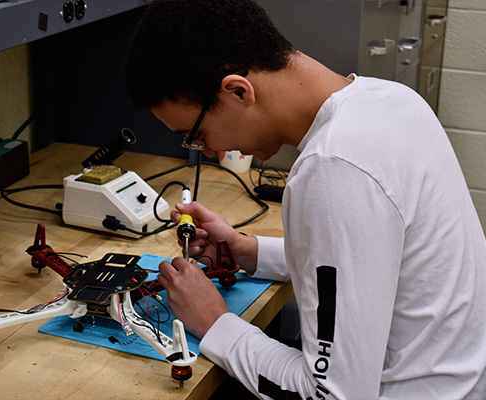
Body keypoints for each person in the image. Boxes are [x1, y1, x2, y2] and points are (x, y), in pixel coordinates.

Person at [123, 0, 486, 398]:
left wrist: (214, 322)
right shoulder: (394, 101)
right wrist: (247, 251)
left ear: (238, 91)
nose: (206, 151)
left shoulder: (335, 169)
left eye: (194, 134)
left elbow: (330, 394)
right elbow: (370, 261)